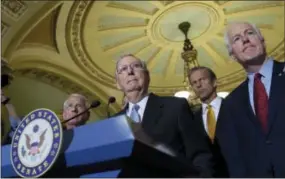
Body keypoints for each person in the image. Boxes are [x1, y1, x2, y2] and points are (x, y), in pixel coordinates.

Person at [114, 54, 214, 177]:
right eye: (123, 69)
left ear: (147, 76)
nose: (130, 71)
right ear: (118, 84)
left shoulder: (175, 107)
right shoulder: (113, 122)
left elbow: (200, 155)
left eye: (136, 66)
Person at [216, 21, 285, 177]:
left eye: (250, 33)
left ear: (262, 40)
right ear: (233, 55)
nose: (245, 40)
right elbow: (235, 159)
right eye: (237, 39)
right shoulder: (230, 103)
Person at [188, 66, 228, 177]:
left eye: (202, 79)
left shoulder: (233, 106)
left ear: (214, 82)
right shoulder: (192, 119)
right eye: (194, 82)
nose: (198, 85)